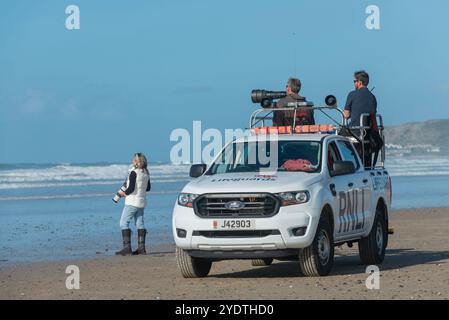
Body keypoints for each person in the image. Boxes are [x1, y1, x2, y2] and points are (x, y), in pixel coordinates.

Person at [115, 153, 151, 256]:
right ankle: (141, 248)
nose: (133, 161)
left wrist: (123, 194)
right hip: (141, 202)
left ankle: (127, 248)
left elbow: (130, 189)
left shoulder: (133, 172)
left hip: (132, 202)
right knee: (140, 223)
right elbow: (148, 188)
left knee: (123, 223)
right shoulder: (146, 173)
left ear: (139, 162)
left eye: (135, 160)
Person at [343, 70, 380, 168]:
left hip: (355, 130)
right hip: (368, 132)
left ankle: (345, 164)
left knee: (336, 137)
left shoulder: (352, 94)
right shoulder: (372, 97)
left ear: (359, 82)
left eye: (354, 81)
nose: (354, 83)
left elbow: (346, 115)